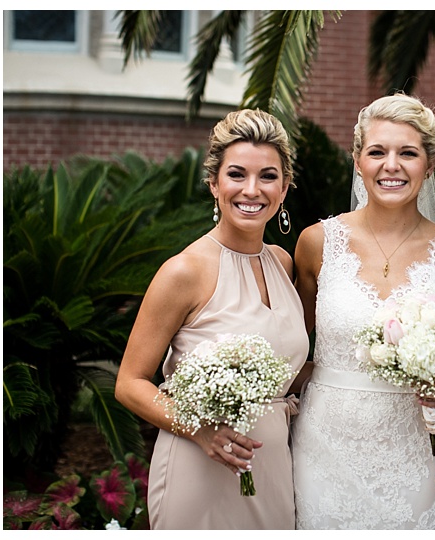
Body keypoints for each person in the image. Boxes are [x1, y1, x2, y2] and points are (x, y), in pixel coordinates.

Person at [291, 93, 435, 529]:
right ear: (358, 161)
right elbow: (293, 344)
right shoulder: (317, 243)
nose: (391, 165)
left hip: (413, 449)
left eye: (408, 153)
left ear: (429, 165)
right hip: (323, 446)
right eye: (377, 151)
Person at [115, 109, 309, 529]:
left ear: (285, 187)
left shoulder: (282, 261)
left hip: (272, 464)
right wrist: (199, 430)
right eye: (237, 174)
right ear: (214, 184)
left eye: (268, 176)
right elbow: (129, 384)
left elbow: (289, 370)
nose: (252, 190)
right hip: (199, 465)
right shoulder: (184, 271)